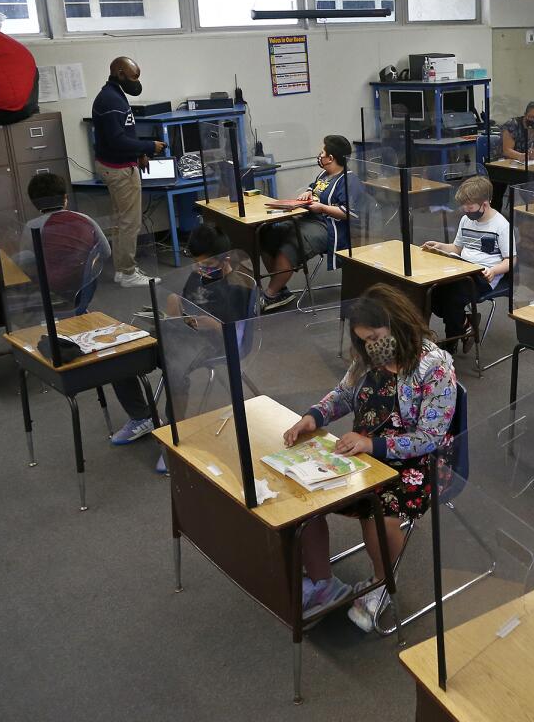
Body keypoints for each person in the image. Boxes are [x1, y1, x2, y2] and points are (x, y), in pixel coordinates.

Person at [283, 285, 457, 630]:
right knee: (303, 497)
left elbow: (430, 438)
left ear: (397, 325)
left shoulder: (435, 366)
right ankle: (323, 584)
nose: (369, 347)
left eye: (375, 337)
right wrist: (314, 416)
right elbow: (344, 394)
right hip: (364, 451)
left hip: (419, 463)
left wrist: (372, 446)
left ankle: (381, 582)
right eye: (362, 340)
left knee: (379, 510)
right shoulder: (367, 357)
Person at [108, 224, 253, 460]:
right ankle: (142, 417)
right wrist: (175, 309)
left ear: (224, 259)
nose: (200, 269)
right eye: (197, 263)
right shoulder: (198, 274)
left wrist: (211, 324)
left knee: (174, 370)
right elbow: (186, 307)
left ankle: (177, 437)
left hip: (212, 343)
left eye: (207, 265)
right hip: (183, 333)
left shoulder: (238, 287)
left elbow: (237, 335)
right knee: (124, 353)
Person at [91, 56, 167, 288]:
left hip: (118, 165)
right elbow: (117, 141)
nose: (137, 82)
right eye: (134, 76)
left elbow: (125, 132)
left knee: (122, 222)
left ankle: (122, 270)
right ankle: (127, 273)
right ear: (120, 74)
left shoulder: (112, 95)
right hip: (119, 170)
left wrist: (139, 154)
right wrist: (148, 147)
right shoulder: (111, 100)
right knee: (129, 223)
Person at [257, 135, 354, 312]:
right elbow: (314, 186)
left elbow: (348, 213)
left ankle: (270, 294)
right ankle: (280, 289)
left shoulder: (348, 180)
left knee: (292, 244)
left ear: (331, 158)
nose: (320, 155)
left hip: (328, 227)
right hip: (308, 219)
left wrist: (322, 208)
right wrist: (308, 193)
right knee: (266, 233)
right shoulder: (324, 174)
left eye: (322, 152)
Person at [422, 176, 512, 351]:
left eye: (469, 207)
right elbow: (457, 248)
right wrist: (440, 246)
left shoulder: (501, 225)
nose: (465, 210)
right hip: (462, 269)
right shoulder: (466, 220)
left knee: (453, 297)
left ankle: (451, 342)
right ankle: (464, 324)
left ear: (485, 204)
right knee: (431, 292)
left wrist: (494, 271)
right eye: (464, 206)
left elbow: (511, 260)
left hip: (484, 276)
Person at [19, 173, 111, 312]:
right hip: (86, 289)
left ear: (34, 204)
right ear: (65, 198)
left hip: (52, 292)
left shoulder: (32, 226)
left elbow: (24, 263)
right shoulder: (85, 219)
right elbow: (106, 252)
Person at [500, 101, 534, 166]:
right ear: (525, 114)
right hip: (508, 163)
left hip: (529, 164)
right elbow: (507, 151)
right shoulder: (512, 125)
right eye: (532, 117)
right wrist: (521, 156)